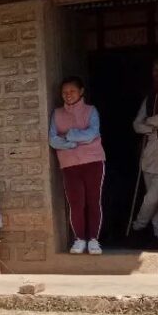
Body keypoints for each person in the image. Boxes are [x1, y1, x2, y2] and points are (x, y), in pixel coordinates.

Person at [49, 76, 105, 255]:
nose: (68, 95)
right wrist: (73, 143)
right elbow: (52, 140)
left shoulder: (91, 110)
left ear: (81, 92)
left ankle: (94, 240)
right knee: (76, 203)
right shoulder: (57, 114)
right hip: (69, 164)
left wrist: (69, 135)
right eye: (64, 92)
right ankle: (80, 239)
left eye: (72, 91)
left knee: (93, 201)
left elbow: (93, 133)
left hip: (93, 161)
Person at [131, 59, 158, 242]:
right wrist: (151, 126)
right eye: (155, 70)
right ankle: (157, 233)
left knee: (152, 198)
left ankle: (138, 226)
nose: (157, 73)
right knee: (155, 202)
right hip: (151, 156)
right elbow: (136, 125)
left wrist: (150, 121)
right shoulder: (150, 98)